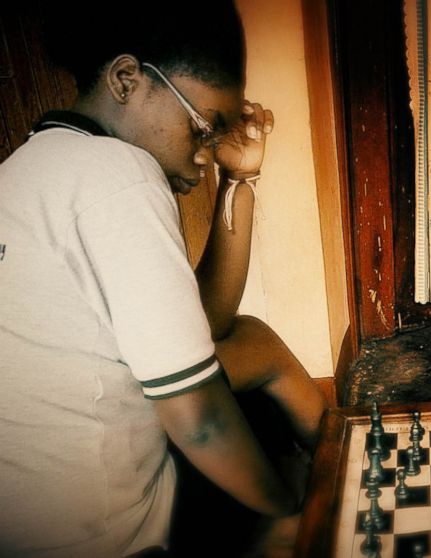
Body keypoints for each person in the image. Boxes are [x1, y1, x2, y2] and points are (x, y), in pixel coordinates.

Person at [0, 1, 326, 556]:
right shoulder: (118, 174)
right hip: (115, 538)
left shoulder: (27, 169)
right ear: (127, 79)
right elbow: (197, 420)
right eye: (203, 127)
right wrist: (292, 509)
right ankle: (359, 468)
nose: (207, 154)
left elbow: (209, 323)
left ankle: (345, 456)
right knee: (301, 493)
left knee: (250, 339)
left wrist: (237, 179)